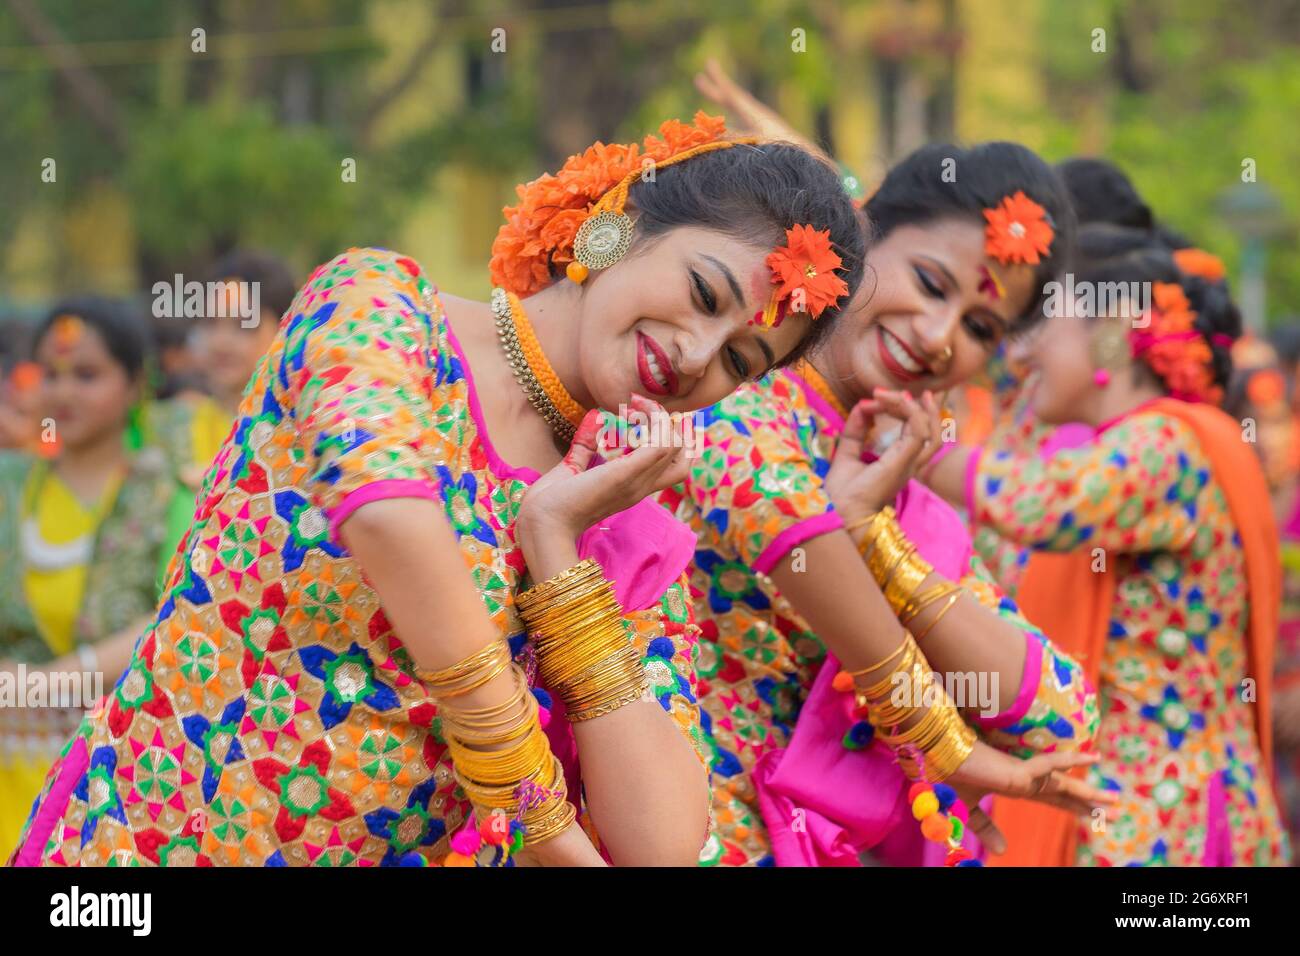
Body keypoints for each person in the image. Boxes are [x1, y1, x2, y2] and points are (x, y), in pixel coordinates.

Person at [9, 113, 866, 867]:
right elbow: (387, 515)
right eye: (704, 293)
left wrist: (558, 548)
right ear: (616, 225)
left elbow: (663, 842)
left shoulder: (613, 506)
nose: (694, 355)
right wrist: (531, 800)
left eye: (739, 362)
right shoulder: (382, 305)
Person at [927, 236, 1290, 866]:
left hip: (1162, 820)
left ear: (1111, 335)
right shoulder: (1136, 447)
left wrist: (914, 449)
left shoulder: (1166, 441)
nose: (1030, 346)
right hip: (1136, 808)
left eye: (1050, 325)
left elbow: (1039, 504)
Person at [0, 298, 194, 853]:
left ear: (135, 384)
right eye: (50, 374)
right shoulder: (9, 483)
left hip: (110, 772)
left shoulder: (168, 495)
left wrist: (58, 678)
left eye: (87, 375)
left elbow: (171, 617)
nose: (62, 393)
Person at [148, 250, 297, 489]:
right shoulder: (162, 428)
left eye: (243, 324)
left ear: (285, 330)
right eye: (210, 322)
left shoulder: (303, 434)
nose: (221, 342)